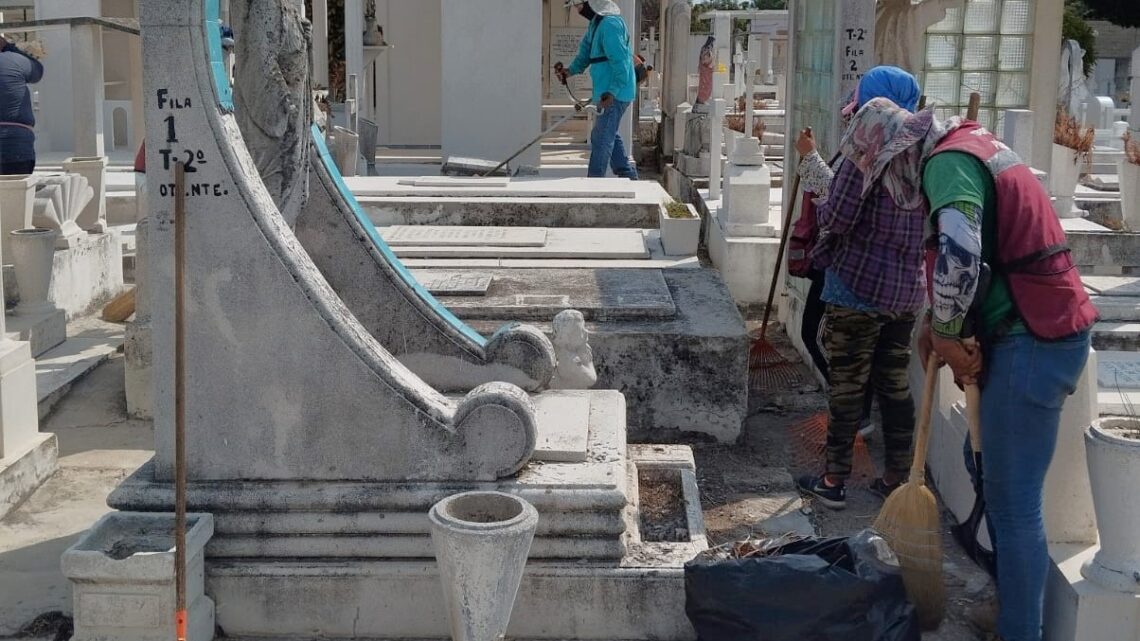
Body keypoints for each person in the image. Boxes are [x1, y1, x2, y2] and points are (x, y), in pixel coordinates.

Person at [917, 110, 1097, 641]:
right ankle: (1011, 608)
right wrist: (938, 323)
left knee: (1014, 505)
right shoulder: (968, 144)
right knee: (991, 480)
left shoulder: (947, 163)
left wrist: (948, 334)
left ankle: (1020, 630)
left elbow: (962, 250)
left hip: (1034, 339)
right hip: (1031, 330)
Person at [795, 66, 951, 510]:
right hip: (906, 293)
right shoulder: (927, 151)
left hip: (857, 288)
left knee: (847, 386)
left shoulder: (868, 143)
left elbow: (836, 217)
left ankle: (833, 481)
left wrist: (812, 171)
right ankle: (898, 478)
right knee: (893, 384)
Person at [556, 0, 638, 180]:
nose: (578, 11)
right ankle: (629, 177)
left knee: (601, 138)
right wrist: (569, 71)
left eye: (579, 6)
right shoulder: (596, 24)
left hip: (614, 93)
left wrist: (613, 91)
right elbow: (585, 54)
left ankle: (594, 182)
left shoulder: (610, 25)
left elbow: (621, 61)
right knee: (608, 134)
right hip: (606, 91)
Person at [0, 34, 44, 175]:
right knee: (17, 194)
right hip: (17, 144)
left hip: (16, 141)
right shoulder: (15, 61)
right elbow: (37, 71)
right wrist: (10, 47)